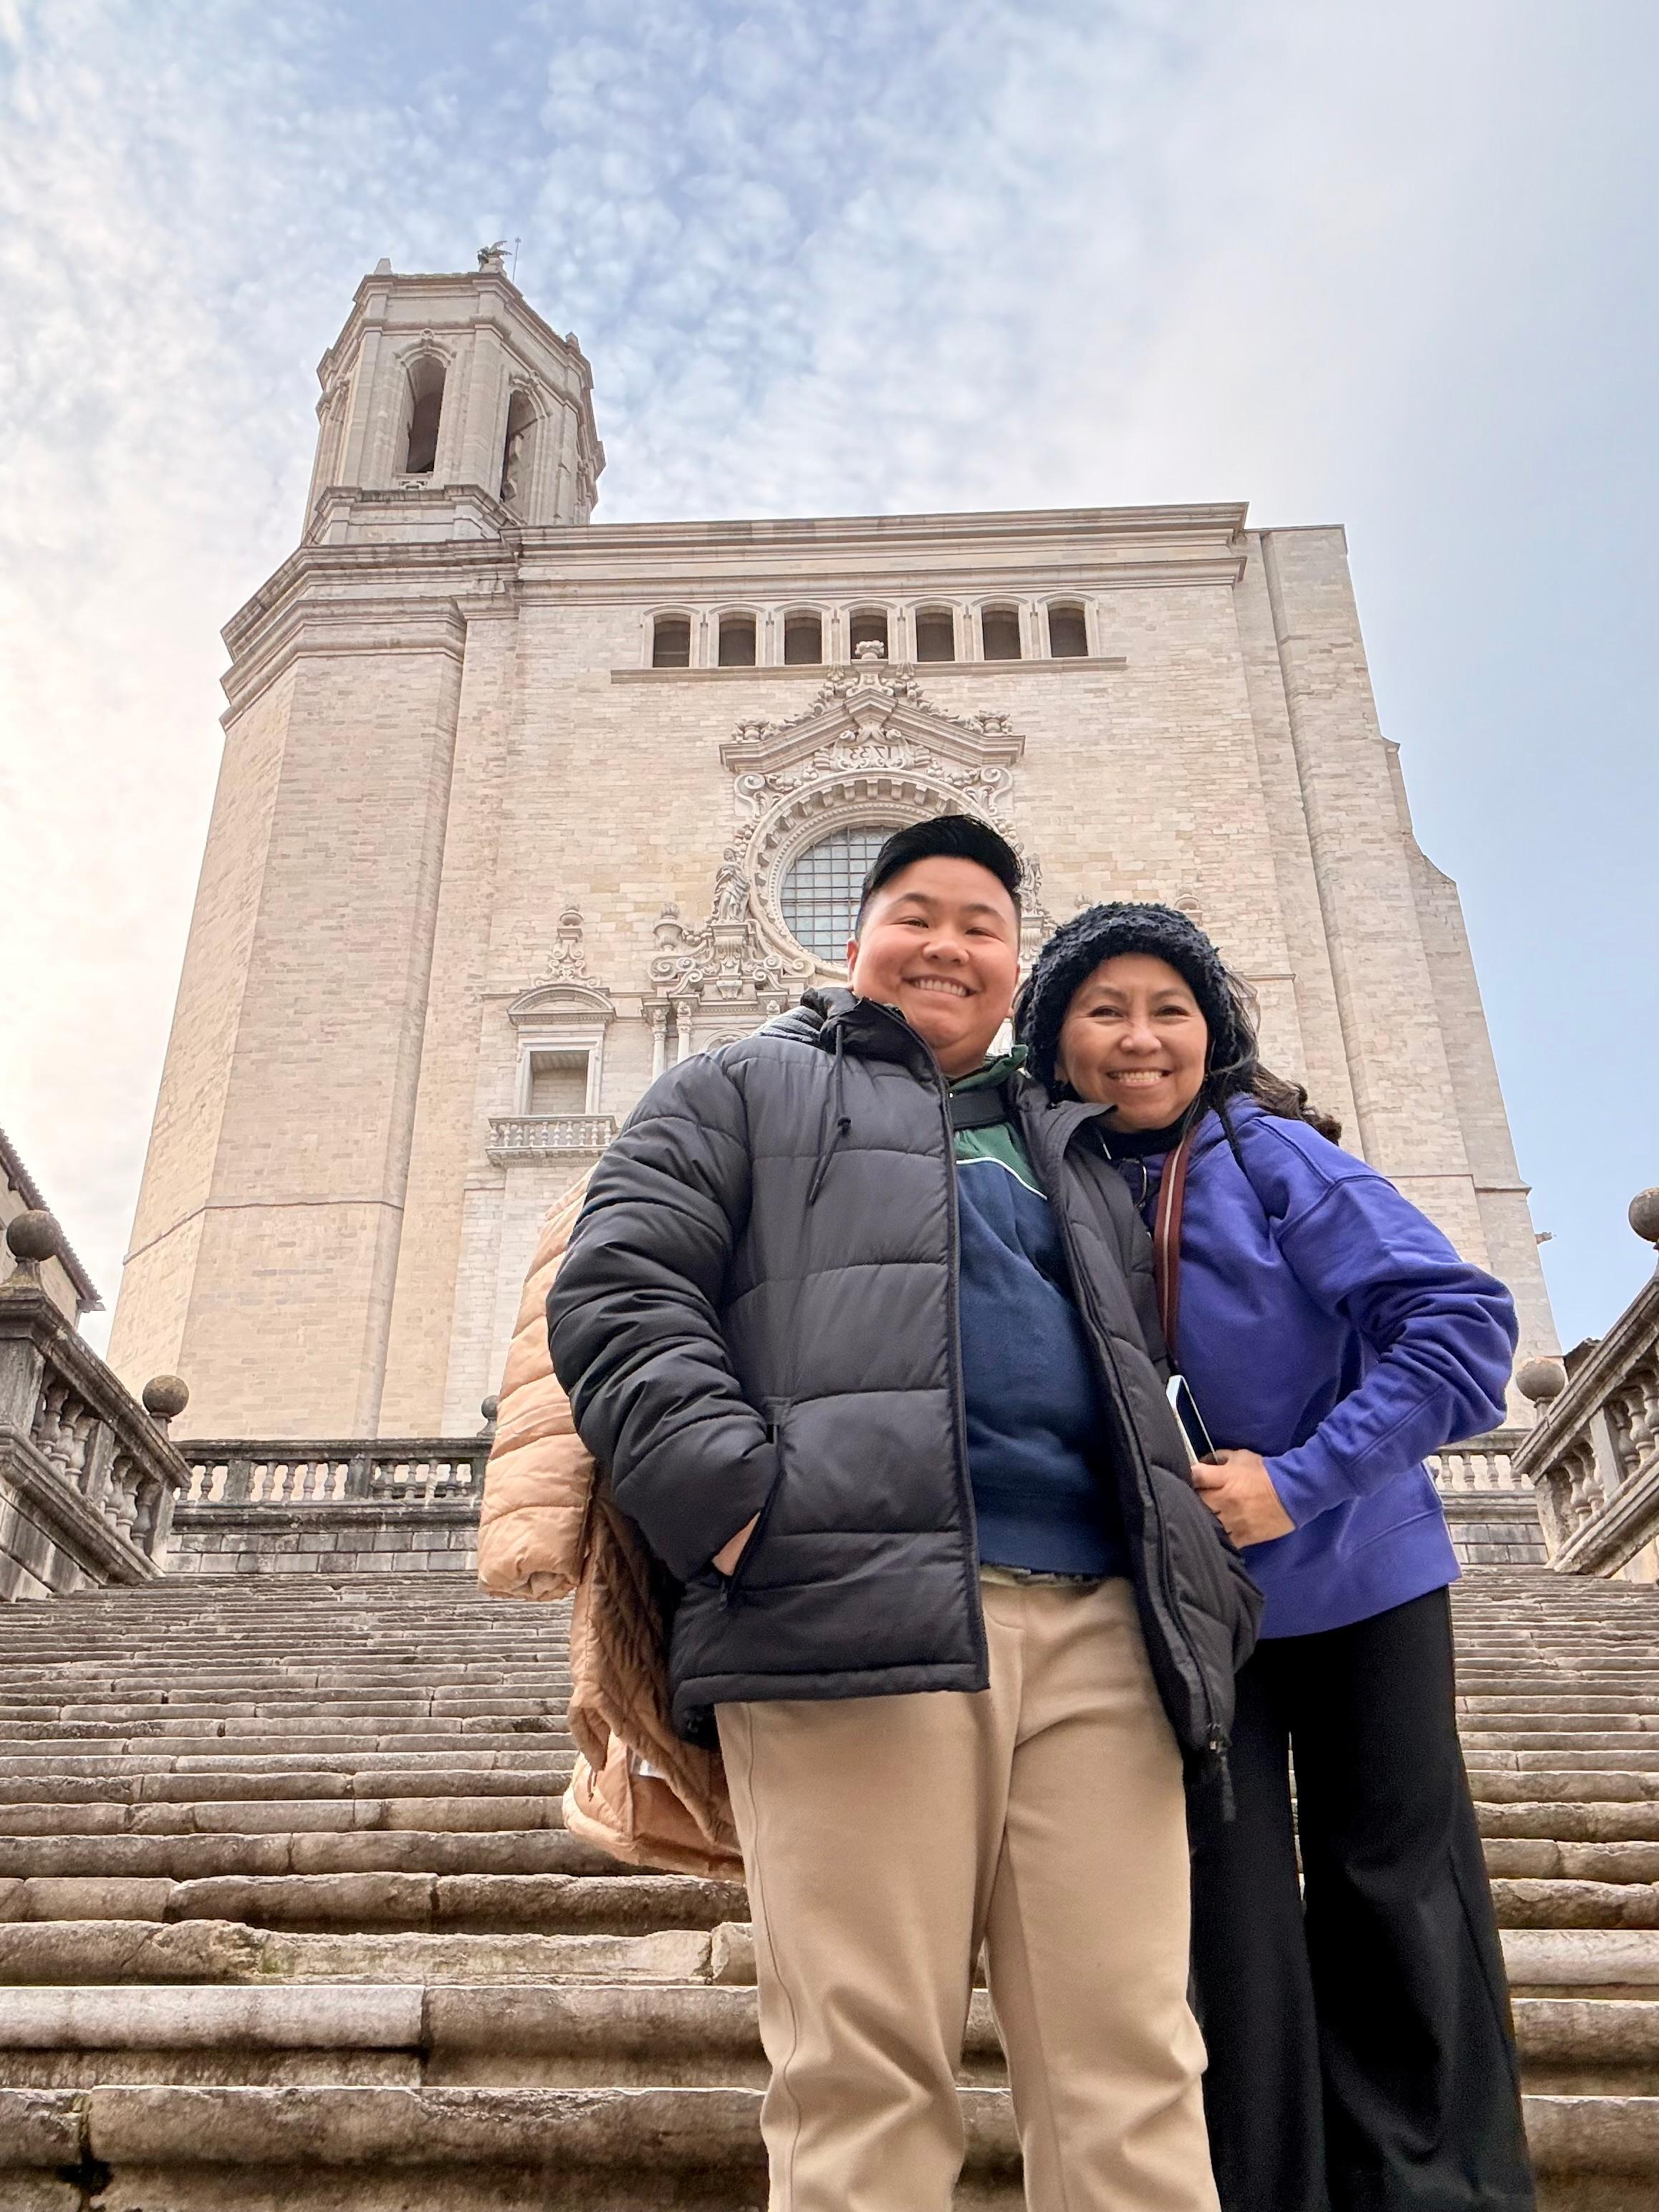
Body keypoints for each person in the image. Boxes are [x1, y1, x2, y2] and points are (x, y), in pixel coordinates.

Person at [549, 816, 1259, 2212]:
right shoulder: (735, 1085)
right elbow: (618, 1291)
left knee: (1138, 2064)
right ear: (861, 934)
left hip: (1108, 1631)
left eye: (982, 922)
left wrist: (1201, 1572)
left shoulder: (1074, 1141)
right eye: (914, 911)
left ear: (1018, 963)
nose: (948, 941)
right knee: (861, 2074)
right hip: (841, 1615)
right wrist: (747, 1509)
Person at [1017, 902, 1535, 2212]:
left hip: (1361, 1578)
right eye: (1104, 1010)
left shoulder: (1273, 1155)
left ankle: (1434, 2190)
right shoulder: (1040, 1178)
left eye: (1170, 1011)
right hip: (1184, 1613)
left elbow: (1466, 1332)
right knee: (1220, 1917)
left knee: (1396, 1886)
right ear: (1054, 1037)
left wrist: (1297, 1482)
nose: (1139, 1040)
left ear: (1213, 1033)